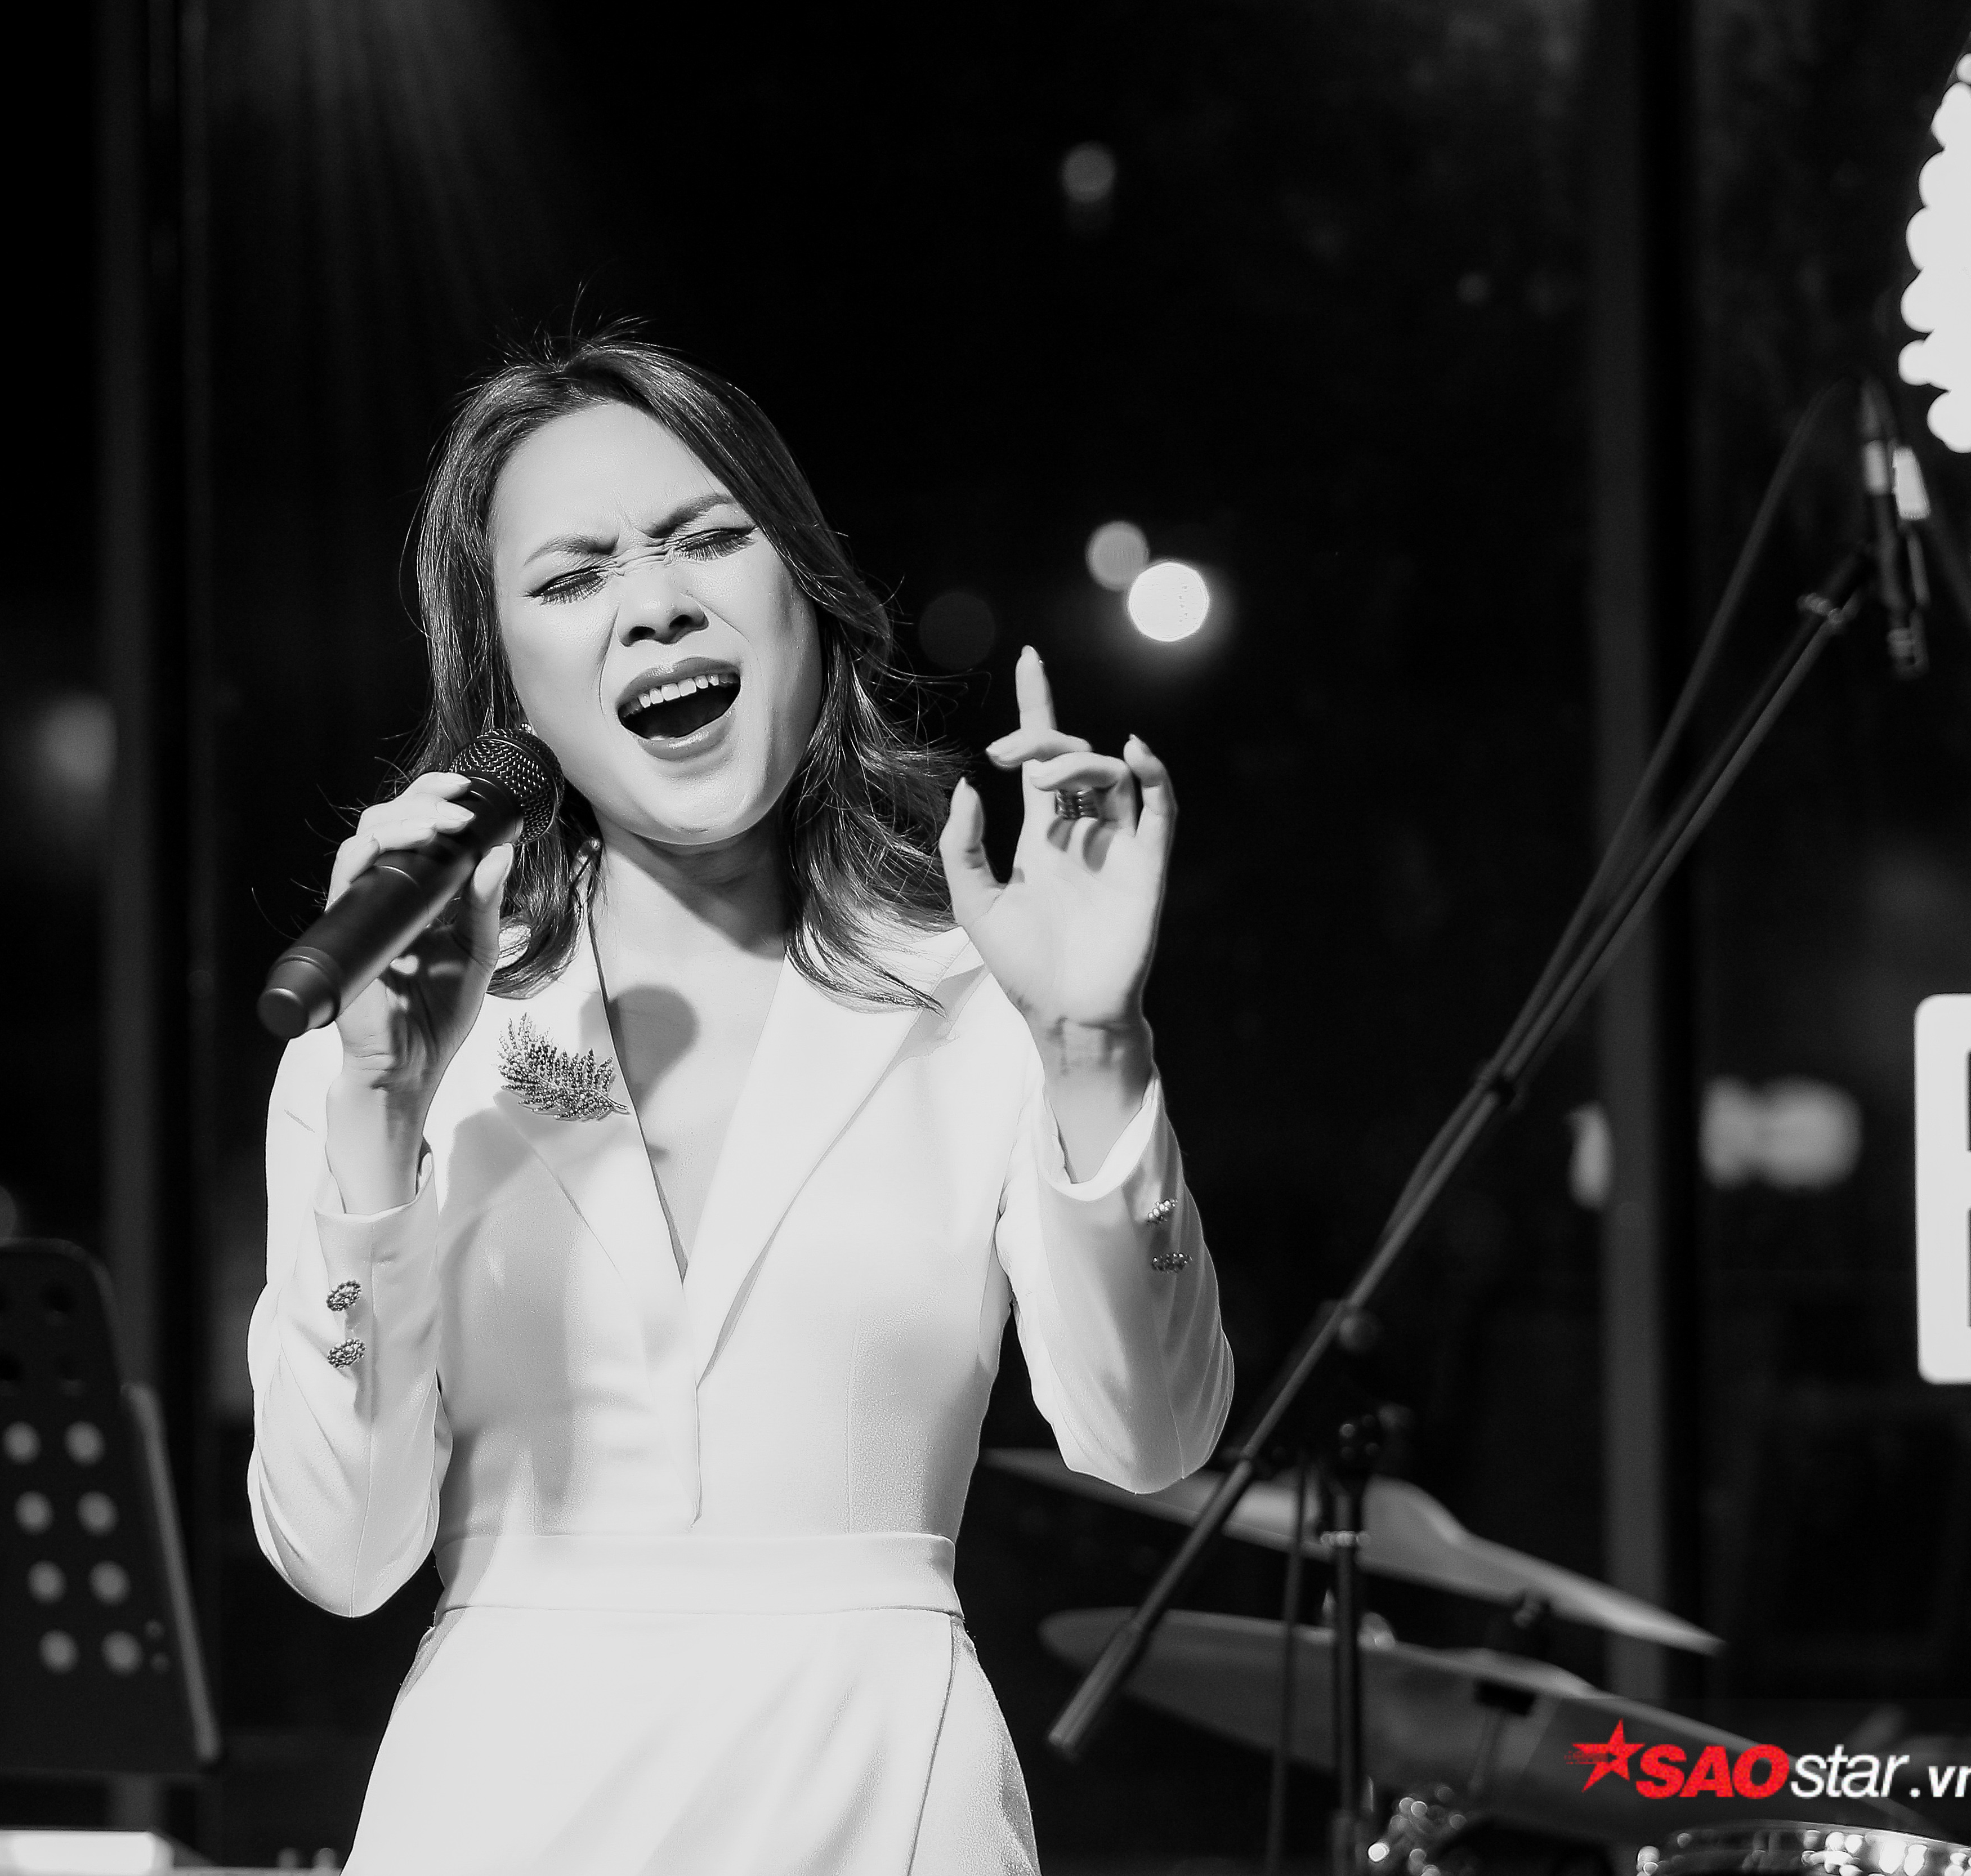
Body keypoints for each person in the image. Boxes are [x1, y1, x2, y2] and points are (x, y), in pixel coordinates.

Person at [247, 330, 1233, 1875]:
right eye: (574, 576)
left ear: (806, 594)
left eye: (707, 538)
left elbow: (1152, 1437)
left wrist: (1093, 1044)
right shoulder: (400, 1025)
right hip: (500, 1810)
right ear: (508, 682)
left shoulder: (976, 989)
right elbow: (338, 1549)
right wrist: (377, 1106)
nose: (653, 604)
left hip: (880, 1800)